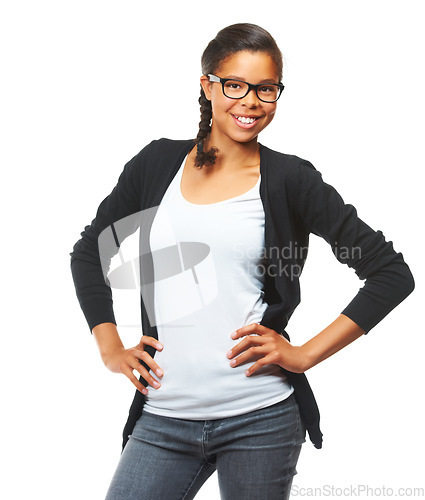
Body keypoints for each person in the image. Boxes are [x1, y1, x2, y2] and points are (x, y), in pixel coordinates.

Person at [70, 23, 414, 500]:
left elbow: (390, 273)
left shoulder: (290, 179)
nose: (250, 102)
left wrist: (304, 354)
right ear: (207, 85)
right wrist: (110, 346)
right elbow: (92, 250)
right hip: (163, 418)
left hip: (261, 420)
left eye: (266, 89)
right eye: (235, 85)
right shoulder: (155, 165)